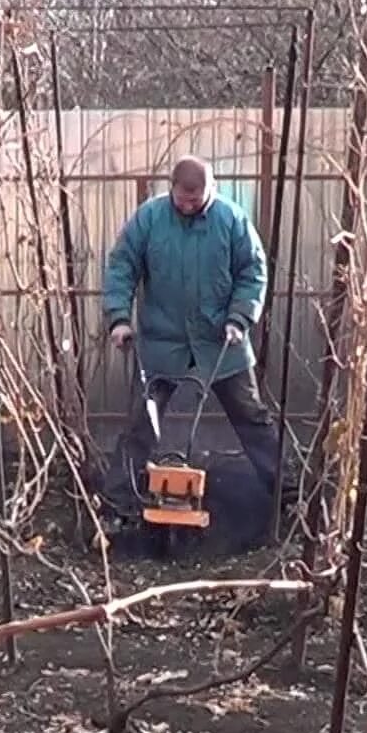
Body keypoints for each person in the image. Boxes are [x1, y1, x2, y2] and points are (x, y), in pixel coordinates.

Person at [98, 155, 280, 531]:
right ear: (171, 190)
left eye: (195, 201)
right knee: (141, 423)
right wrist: (118, 318)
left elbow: (253, 271)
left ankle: (284, 494)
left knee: (252, 417)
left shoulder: (231, 220)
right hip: (162, 342)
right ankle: (119, 503)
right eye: (182, 200)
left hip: (221, 341)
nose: (187, 206)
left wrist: (240, 317)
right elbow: (121, 266)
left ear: (210, 190)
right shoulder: (149, 219)